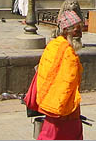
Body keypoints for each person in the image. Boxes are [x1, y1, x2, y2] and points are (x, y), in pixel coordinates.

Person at [35, 10, 84, 140]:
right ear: (67, 31)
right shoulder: (67, 52)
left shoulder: (53, 45)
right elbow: (68, 81)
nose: (80, 33)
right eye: (76, 29)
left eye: (80, 29)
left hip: (53, 103)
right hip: (62, 106)